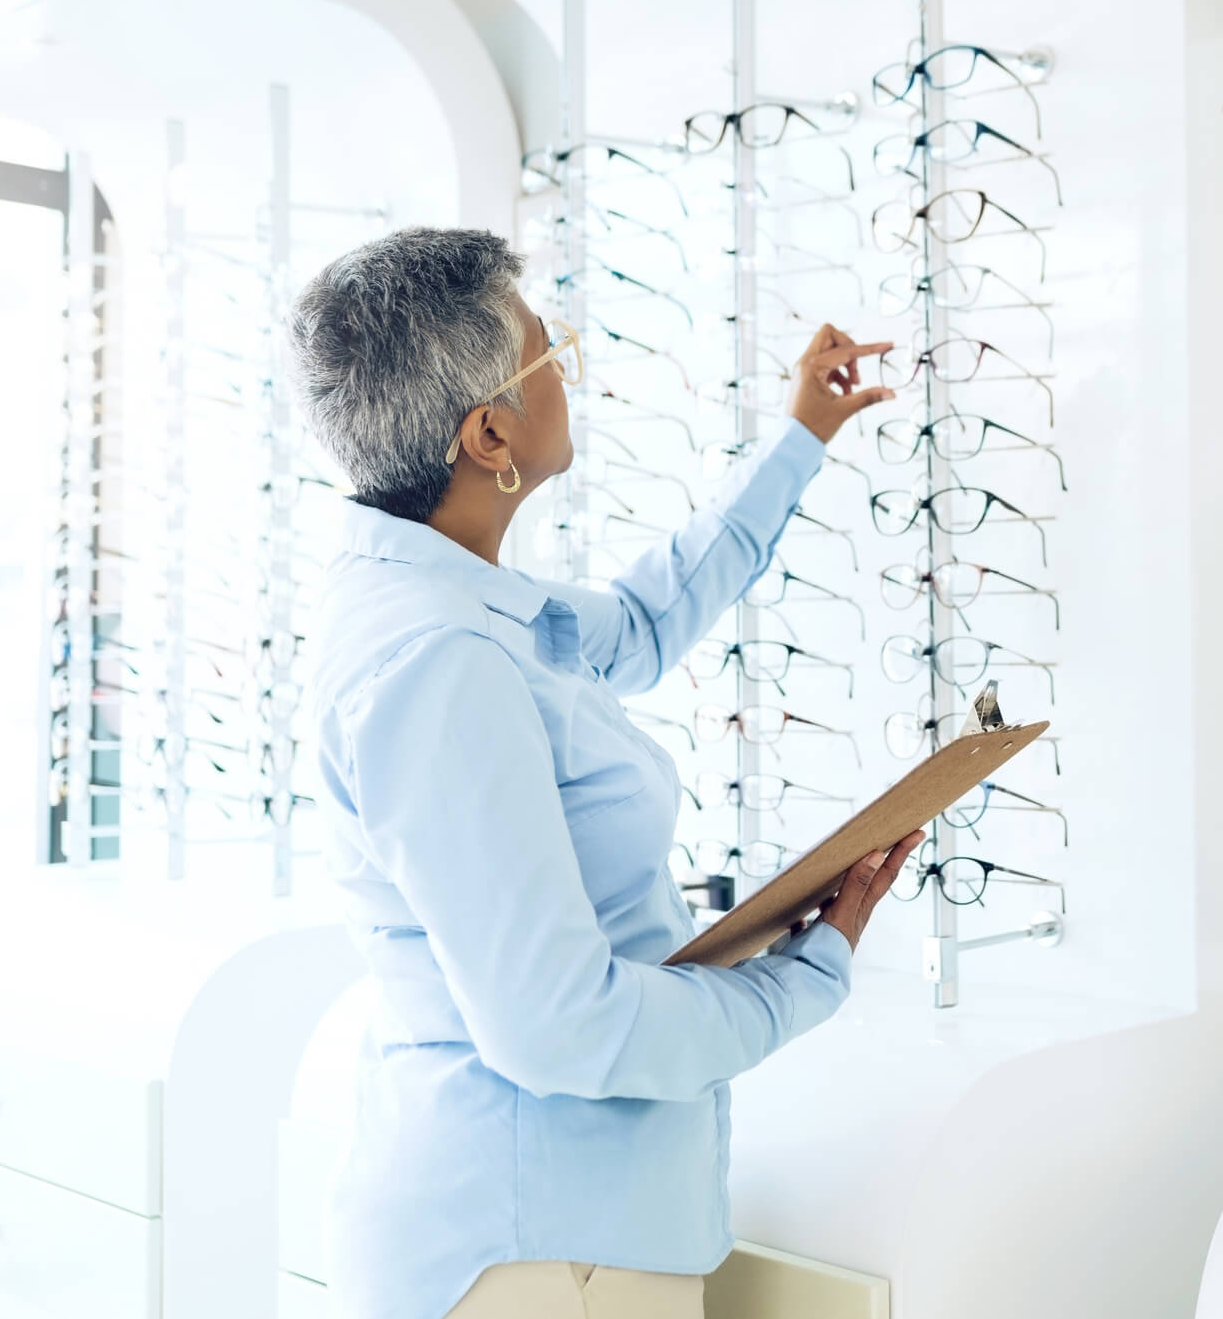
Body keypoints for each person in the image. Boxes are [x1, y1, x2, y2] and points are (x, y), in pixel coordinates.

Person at [289, 227, 919, 1319]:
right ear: (489, 433)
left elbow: (632, 627)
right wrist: (804, 977)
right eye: (550, 353)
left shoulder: (443, 599)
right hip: (536, 1254)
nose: (566, 373)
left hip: (551, 1233)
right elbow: (559, 1026)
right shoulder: (442, 664)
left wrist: (799, 440)